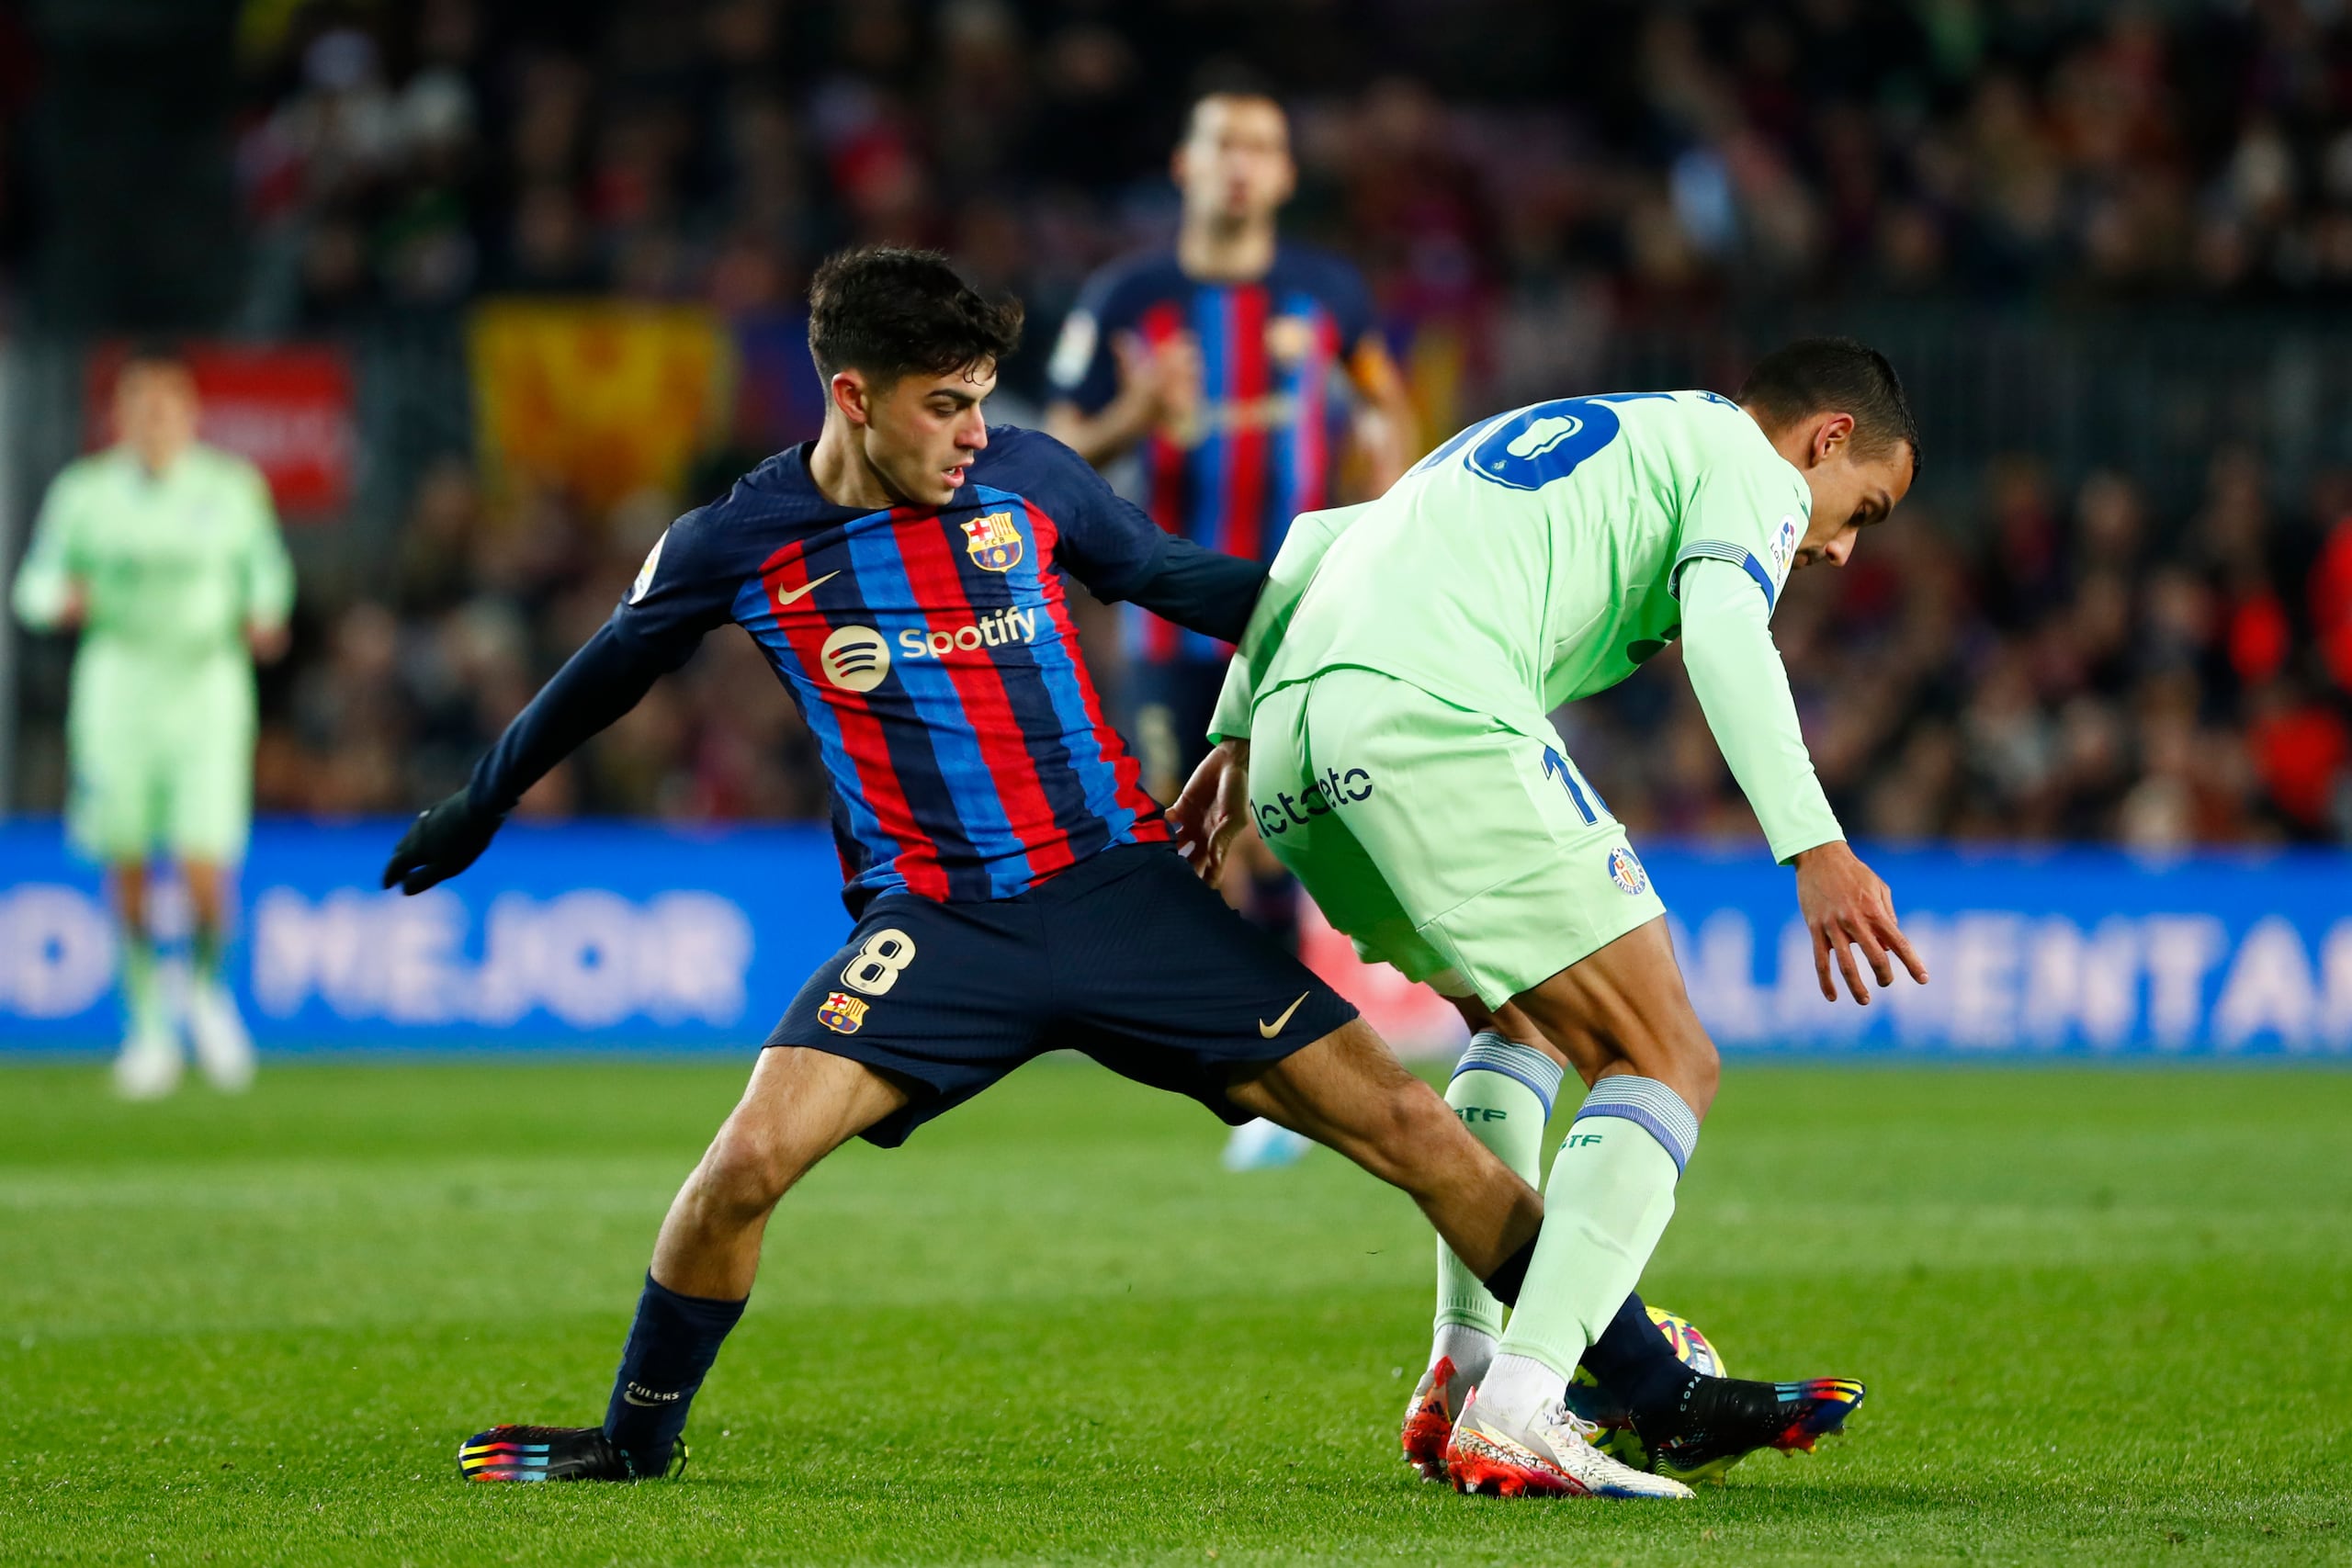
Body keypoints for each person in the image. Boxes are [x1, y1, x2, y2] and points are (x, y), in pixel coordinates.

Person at [379, 247, 1680, 1494]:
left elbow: (1183, 579)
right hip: (941, 927)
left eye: (980, 402)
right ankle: (634, 1440)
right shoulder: (736, 540)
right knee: (739, 1170)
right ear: (853, 398)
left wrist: (1402, 603)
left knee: (1411, 1128)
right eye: (943, 405)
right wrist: (476, 801)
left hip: (1126, 890)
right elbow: (601, 673)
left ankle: (1646, 1383)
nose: (969, 431)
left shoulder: (1033, 480)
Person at [1172, 341, 1925, 1495]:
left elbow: (1317, 539)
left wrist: (1229, 743)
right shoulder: (1744, 461)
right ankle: (1527, 1400)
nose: (1835, 545)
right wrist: (1813, 843)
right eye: (1858, 508)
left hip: (1293, 748)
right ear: (1825, 439)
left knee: (1519, 1025)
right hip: (1430, 715)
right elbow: (1727, 627)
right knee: (1665, 1056)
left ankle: (1464, 1368)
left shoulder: (1587, 432)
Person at [1046, 85, 1418, 1171]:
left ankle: (1287, 1078)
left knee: (1285, 834)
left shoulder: (1329, 293)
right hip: (1171, 632)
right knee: (1198, 849)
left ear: (1287, 175)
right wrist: (1135, 413)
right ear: (1185, 166)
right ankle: (1262, 1084)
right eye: (1224, 145)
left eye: (1262, 146)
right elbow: (1057, 446)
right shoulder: (1129, 296)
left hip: (1303, 617)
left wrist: (1382, 482)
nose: (1243, 165)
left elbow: (1386, 404)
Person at [11, 348, 292, 1099]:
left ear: (190, 415)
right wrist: (54, 602)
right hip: (118, 690)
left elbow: (266, 570)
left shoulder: (231, 488)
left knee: (205, 868)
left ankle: (207, 991)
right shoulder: (85, 493)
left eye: (166, 408)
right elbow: (34, 580)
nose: (153, 422)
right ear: (119, 418)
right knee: (128, 860)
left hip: (206, 691)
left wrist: (266, 612)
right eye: (139, 409)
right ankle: (146, 1026)